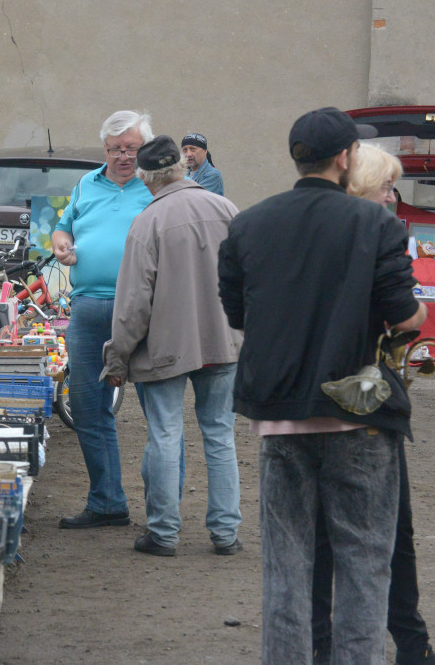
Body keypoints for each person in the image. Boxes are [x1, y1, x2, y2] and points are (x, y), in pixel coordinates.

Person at [217, 106, 427, 663]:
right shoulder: (375, 224)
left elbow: (238, 312)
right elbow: (404, 314)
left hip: (279, 418)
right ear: (345, 157)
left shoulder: (249, 224)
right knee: (365, 562)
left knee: (286, 566)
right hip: (358, 417)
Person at [311, 143, 435, 665]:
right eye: (386, 187)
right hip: (364, 396)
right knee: (387, 528)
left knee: (327, 532)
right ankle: (407, 640)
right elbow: (405, 316)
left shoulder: (314, 236)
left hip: (317, 395)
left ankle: (331, 641)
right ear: (361, 186)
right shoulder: (375, 237)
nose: (391, 197)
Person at [101, 135, 243, 557]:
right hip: (224, 343)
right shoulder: (227, 209)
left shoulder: (148, 221)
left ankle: (163, 534)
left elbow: (132, 304)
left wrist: (117, 358)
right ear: (182, 166)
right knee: (220, 434)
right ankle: (226, 534)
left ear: (146, 178)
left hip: (166, 347)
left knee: (164, 434)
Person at [51, 110, 154, 529]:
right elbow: (63, 228)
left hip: (143, 309)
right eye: (115, 149)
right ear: (105, 149)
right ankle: (107, 503)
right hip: (88, 308)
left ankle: (164, 514)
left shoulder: (155, 186)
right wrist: (61, 245)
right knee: (88, 407)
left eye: (131, 148)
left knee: (159, 412)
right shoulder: (86, 184)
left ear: (143, 148)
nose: (123, 156)